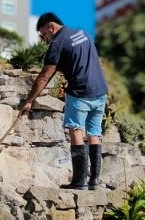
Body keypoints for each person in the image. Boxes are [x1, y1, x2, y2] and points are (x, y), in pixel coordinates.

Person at [19, 12, 110, 190]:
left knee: (76, 130)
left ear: (51, 27)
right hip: (100, 91)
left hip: (80, 93)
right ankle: (94, 181)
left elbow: (44, 77)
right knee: (94, 133)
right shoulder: (83, 33)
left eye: (44, 34)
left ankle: (79, 181)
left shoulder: (57, 43)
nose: (45, 39)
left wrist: (29, 100)